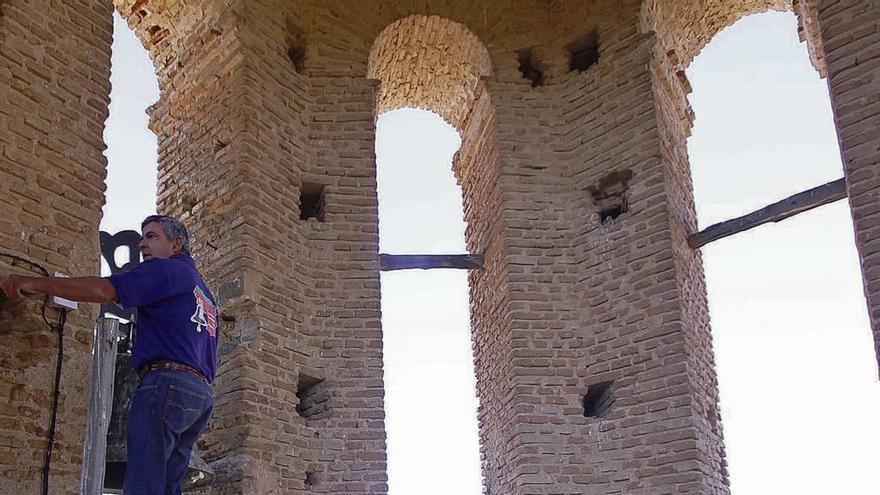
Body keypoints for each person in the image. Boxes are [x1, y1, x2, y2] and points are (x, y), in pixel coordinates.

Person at [1, 215, 219, 495]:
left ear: (176, 244)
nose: (142, 244)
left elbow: (103, 289)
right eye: (141, 237)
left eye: (152, 236)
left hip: (167, 384)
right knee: (167, 487)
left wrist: (35, 284)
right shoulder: (205, 294)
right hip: (200, 395)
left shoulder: (166, 271)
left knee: (143, 485)